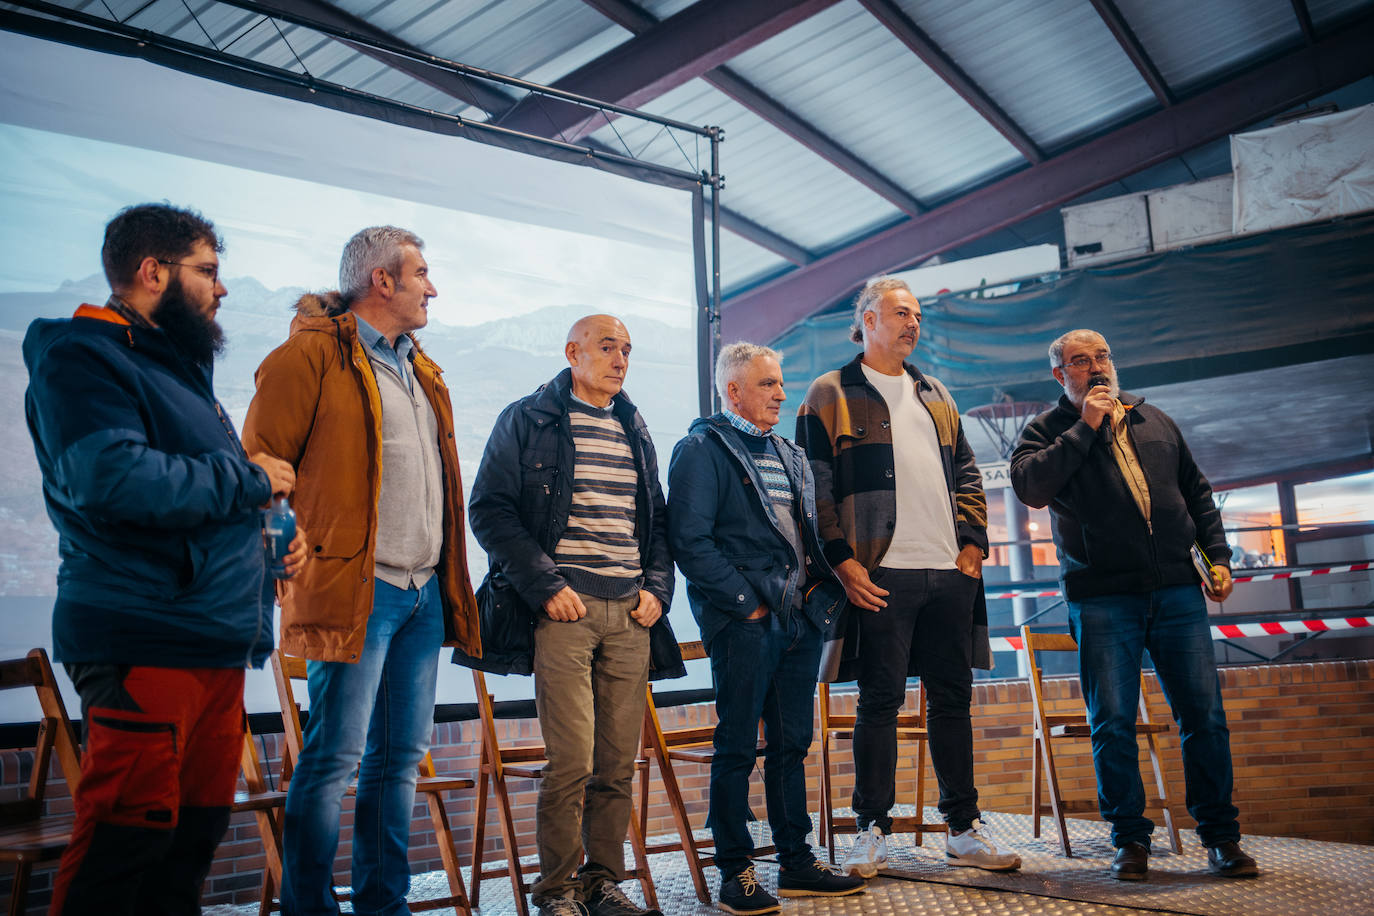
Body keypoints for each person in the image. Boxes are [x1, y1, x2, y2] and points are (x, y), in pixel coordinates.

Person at [24, 203, 306, 915]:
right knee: (126, 842)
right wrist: (252, 479)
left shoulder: (179, 371)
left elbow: (204, 496)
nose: (222, 288)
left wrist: (275, 540)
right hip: (142, 633)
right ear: (152, 272)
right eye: (208, 271)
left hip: (211, 638)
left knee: (189, 846)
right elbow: (110, 479)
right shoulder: (82, 356)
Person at [242, 226, 482, 915]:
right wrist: (286, 568)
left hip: (420, 590)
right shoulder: (306, 357)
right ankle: (308, 909)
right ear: (383, 281)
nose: (431, 288)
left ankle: (384, 905)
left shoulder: (421, 368)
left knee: (398, 762)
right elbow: (261, 473)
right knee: (334, 760)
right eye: (422, 274)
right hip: (355, 587)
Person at [1010, 329, 1257, 881]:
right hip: (1102, 598)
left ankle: (1221, 837)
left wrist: (1217, 559)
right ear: (1061, 375)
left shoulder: (1156, 421)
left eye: (1102, 356)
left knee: (1204, 717)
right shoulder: (1046, 431)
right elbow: (1030, 486)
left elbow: (1198, 494)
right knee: (1113, 722)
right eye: (1081, 361)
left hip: (1176, 591)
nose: (1096, 367)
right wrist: (1086, 426)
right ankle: (1130, 841)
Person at [796, 275, 1021, 877]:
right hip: (878, 573)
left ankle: (963, 830)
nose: (912, 323)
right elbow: (813, 490)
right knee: (880, 703)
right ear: (868, 320)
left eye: (916, 315)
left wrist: (972, 545)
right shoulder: (829, 393)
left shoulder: (936, 392)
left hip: (948, 572)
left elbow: (968, 471)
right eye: (900, 313)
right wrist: (841, 562)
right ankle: (871, 829)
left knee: (953, 701)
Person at [466, 315, 681, 916]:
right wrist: (543, 586)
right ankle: (556, 891)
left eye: (628, 350)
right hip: (565, 611)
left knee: (617, 763)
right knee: (572, 762)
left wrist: (658, 589)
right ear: (573, 352)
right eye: (607, 347)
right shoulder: (527, 418)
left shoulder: (634, 427)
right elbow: (489, 510)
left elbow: (657, 522)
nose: (620, 359)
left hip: (631, 613)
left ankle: (601, 882)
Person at [667, 343, 866, 915]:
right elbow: (690, 542)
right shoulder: (702, 449)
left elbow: (803, 537)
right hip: (745, 623)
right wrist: (745, 604)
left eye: (780, 384)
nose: (782, 393)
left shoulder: (788, 451)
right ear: (735, 391)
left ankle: (796, 863)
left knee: (792, 745)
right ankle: (736, 871)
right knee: (735, 748)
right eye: (768, 385)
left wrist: (812, 598)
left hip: (796, 621)